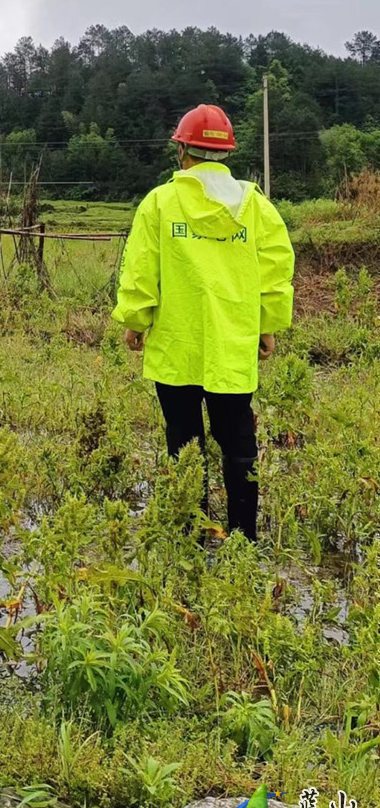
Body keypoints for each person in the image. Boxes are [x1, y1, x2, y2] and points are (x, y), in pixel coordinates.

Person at [112, 104, 294, 541]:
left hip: (177, 344)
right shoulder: (256, 207)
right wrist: (266, 324)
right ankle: (243, 537)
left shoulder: (159, 203)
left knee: (184, 441)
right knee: (238, 444)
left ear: (183, 152)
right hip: (232, 345)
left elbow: (141, 270)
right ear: (226, 153)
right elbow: (275, 270)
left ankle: (190, 532)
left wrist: (135, 321)